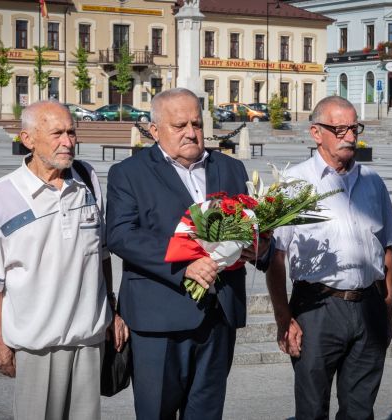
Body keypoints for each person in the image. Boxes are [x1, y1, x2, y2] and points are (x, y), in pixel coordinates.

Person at [106, 88, 272, 420]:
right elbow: (121, 234)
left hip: (218, 316)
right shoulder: (129, 173)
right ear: (154, 131)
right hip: (158, 320)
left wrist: (261, 246)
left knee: (207, 413)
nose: (191, 133)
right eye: (179, 125)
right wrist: (186, 265)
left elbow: (250, 226)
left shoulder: (231, 168)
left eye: (196, 123)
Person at [0, 100, 128, 419]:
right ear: (28, 139)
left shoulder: (87, 179)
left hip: (88, 340)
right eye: (57, 133)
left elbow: (102, 255)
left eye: (71, 132)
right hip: (36, 346)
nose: (68, 142)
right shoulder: (3, 194)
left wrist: (112, 310)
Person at [266, 96, 392, 420]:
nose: (350, 136)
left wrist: (387, 307)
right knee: (312, 409)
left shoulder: (373, 182)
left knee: (360, 410)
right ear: (316, 133)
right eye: (340, 129)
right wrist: (284, 318)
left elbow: (387, 248)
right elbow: (275, 257)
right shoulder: (293, 182)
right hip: (317, 309)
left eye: (354, 128)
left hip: (369, 304)